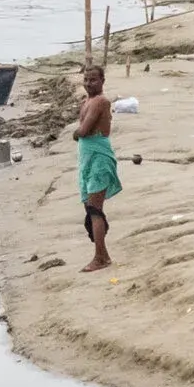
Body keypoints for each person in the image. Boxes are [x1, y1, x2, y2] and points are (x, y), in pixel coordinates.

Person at [74, 65, 118, 273]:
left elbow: (83, 130)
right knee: (89, 206)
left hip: (99, 158)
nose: (88, 84)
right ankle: (102, 252)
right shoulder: (87, 101)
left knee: (94, 207)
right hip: (87, 159)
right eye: (86, 80)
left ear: (102, 81)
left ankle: (100, 257)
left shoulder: (101, 101)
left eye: (93, 80)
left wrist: (76, 133)